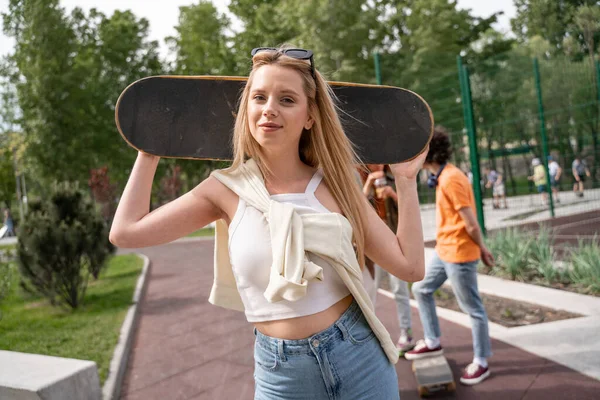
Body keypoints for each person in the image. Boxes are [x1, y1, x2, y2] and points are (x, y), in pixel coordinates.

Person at [110, 46, 427, 399]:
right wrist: (151, 149)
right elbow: (126, 232)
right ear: (247, 108)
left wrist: (407, 179)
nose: (269, 109)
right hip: (282, 373)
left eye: (287, 99)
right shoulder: (224, 189)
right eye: (259, 97)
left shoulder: (337, 185)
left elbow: (410, 267)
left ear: (310, 116)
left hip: (357, 354)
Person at [405, 127, 494, 386]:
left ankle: (481, 361)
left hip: (459, 253)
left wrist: (483, 249)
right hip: (444, 250)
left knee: (473, 309)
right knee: (421, 289)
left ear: (429, 153)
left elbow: (471, 223)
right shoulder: (441, 176)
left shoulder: (452, 179)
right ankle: (432, 341)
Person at [360, 164, 415, 356]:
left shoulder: (396, 179)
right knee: (368, 291)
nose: (378, 165)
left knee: (399, 289)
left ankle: (406, 333)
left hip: (394, 244)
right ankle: (370, 339)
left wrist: (392, 194)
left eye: (381, 162)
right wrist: (367, 186)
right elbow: (354, 208)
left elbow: (410, 209)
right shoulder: (359, 179)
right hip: (371, 246)